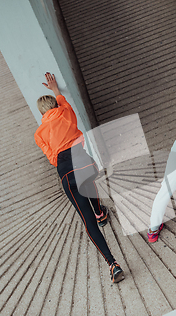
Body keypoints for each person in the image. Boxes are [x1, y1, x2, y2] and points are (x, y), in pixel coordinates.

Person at [34, 72, 124, 283]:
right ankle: (101, 213)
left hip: (66, 171)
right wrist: (55, 88)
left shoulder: (39, 134)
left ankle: (113, 264)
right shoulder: (65, 111)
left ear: (41, 113)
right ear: (55, 104)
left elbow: (52, 159)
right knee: (89, 183)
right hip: (85, 163)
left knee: (87, 220)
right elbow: (61, 98)